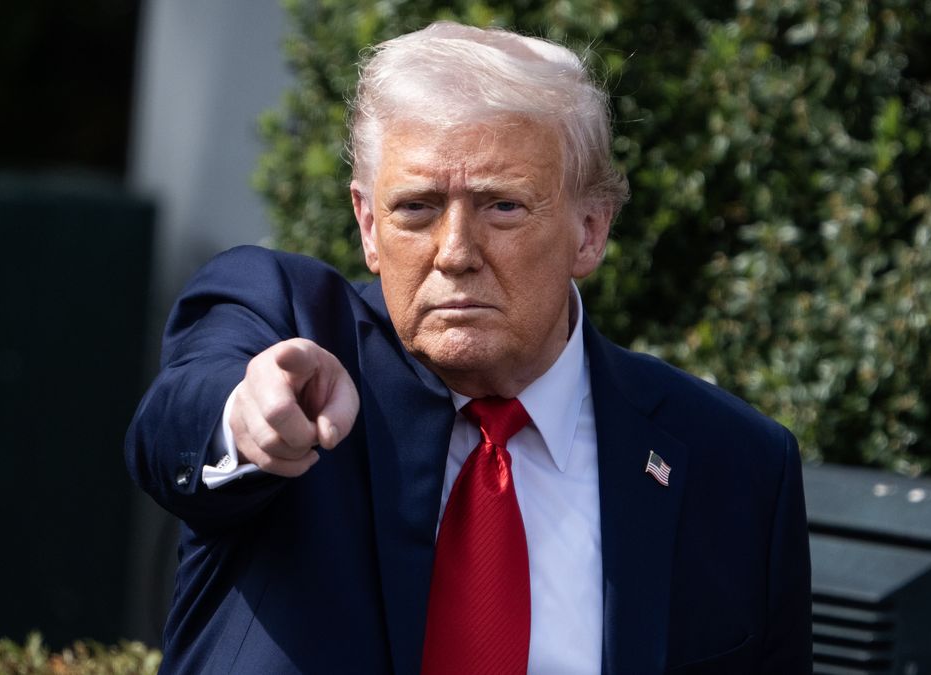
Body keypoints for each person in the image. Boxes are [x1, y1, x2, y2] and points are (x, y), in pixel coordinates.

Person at [126, 21, 811, 675]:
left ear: (590, 230)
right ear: (368, 224)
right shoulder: (290, 325)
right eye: (416, 207)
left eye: (502, 206)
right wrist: (245, 418)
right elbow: (177, 418)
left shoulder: (736, 464)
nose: (454, 252)